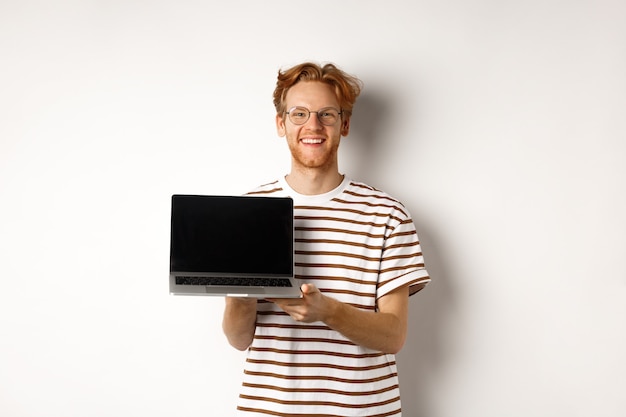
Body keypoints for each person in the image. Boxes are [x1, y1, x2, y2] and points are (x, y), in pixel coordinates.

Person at [222, 62, 430, 416]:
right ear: (281, 123)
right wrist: (241, 294)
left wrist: (327, 311)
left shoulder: (388, 214)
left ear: (344, 124)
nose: (312, 126)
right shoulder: (247, 212)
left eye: (326, 114)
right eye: (299, 113)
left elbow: (394, 336)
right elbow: (238, 338)